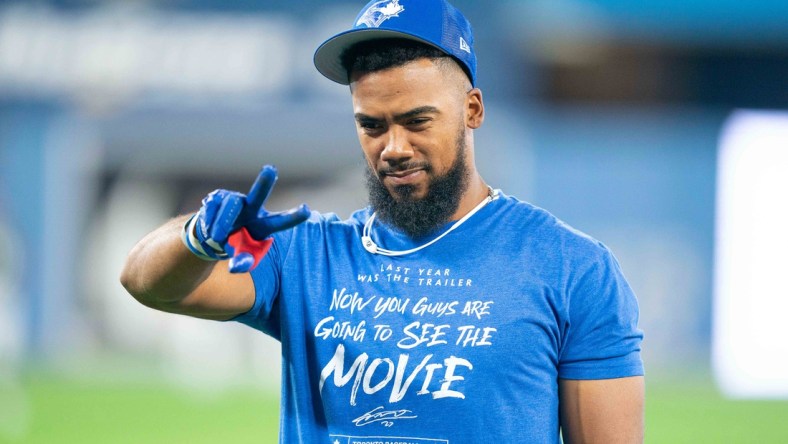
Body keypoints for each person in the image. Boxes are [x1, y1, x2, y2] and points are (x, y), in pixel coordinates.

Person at [120, 0, 645, 442]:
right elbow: (146, 283)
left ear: (473, 110)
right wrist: (199, 239)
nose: (393, 148)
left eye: (417, 122)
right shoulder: (307, 254)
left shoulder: (570, 267)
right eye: (372, 126)